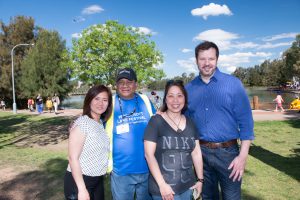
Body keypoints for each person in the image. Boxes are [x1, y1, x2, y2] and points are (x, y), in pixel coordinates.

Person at [185, 41, 254, 200]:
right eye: (202, 59)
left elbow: (246, 123)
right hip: (200, 154)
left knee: (232, 197)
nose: (207, 63)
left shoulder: (233, 84)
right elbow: (183, 121)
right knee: (208, 197)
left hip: (228, 154)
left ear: (217, 59)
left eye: (211, 58)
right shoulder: (188, 89)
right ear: (196, 60)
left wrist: (242, 157)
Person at [144, 80, 204, 200]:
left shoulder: (191, 123)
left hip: (188, 187)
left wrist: (200, 179)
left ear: (185, 99)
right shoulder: (156, 121)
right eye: (170, 96)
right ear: (165, 99)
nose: (175, 100)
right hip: (165, 190)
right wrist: (162, 185)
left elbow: (196, 152)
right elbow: (149, 155)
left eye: (179, 96)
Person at [105, 68, 156, 200]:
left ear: (136, 84)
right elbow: (93, 118)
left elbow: (159, 121)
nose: (125, 85)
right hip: (121, 171)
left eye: (129, 81)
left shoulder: (145, 100)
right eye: (121, 82)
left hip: (148, 169)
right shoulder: (109, 102)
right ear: (116, 85)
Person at [64, 85, 113, 200]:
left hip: (97, 180)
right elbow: (72, 158)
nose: (100, 103)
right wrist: (81, 189)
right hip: (80, 181)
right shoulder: (83, 123)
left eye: (105, 100)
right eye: (97, 98)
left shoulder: (100, 123)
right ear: (89, 100)